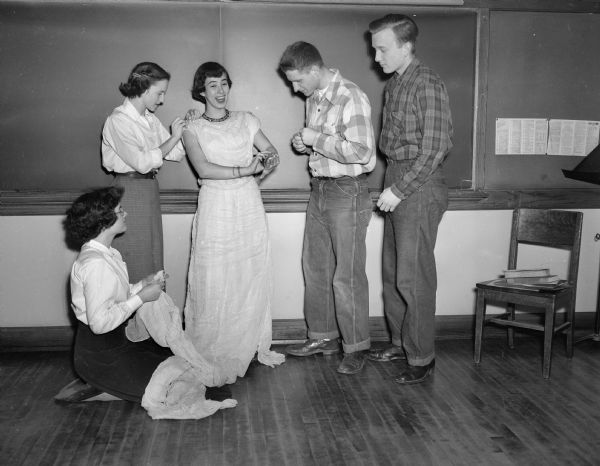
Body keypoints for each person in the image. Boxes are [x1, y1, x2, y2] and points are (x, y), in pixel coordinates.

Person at [56, 187, 235, 419]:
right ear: (104, 222)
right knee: (176, 388)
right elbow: (100, 324)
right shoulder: (95, 263)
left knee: (188, 373)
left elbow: (115, 297)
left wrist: (142, 284)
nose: (125, 214)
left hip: (117, 341)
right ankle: (100, 387)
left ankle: (111, 385)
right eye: (120, 211)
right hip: (101, 353)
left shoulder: (105, 254)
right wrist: (141, 298)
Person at [183, 62, 285, 385]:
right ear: (202, 90)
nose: (221, 91)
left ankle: (248, 342)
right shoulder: (191, 127)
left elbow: (271, 152)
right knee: (213, 273)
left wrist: (265, 163)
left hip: (247, 204)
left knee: (248, 271)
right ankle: (212, 347)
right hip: (215, 204)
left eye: (225, 83)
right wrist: (244, 170)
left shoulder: (246, 120)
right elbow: (204, 169)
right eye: (213, 85)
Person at [279, 42, 376, 375]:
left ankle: (356, 347)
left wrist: (314, 139)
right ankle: (322, 337)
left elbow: (362, 152)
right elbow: (323, 144)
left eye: (297, 81)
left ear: (314, 70)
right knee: (316, 269)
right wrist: (303, 143)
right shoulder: (314, 99)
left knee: (346, 276)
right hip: (319, 190)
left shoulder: (351, 96)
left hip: (346, 192)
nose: (295, 88)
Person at [367, 14, 453, 384]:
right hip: (396, 174)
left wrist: (399, 190)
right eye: (374, 49)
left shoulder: (427, 82)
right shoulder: (395, 85)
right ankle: (402, 343)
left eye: (383, 49)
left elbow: (434, 149)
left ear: (405, 46)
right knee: (393, 273)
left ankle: (421, 358)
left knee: (413, 277)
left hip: (418, 182)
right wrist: (391, 182)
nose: (376, 57)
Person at [102, 62, 186, 284]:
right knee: (134, 257)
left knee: (152, 255)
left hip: (148, 190)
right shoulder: (118, 120)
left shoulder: (149, 119)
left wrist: (187, 128)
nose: (162, 100)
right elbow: (142, 163)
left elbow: (175, 153)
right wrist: (174, 137)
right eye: (160, 93)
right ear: (145, 88)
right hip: (128, 192)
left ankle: (151, 318)